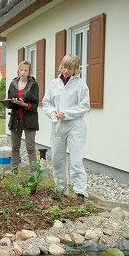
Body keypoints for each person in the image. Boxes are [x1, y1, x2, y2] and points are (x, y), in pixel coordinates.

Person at [42, 54, 90, 205]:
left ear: (76, 69)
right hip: (57, 126)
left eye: (70, 68)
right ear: (61, 66)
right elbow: (46, 102)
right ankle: (61, 190)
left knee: (76, 160)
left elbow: (84, 106)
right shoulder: (53, 84)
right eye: (64, 67)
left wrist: (67, 113)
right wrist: (52, 113)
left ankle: (80, 192)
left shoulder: (81, 84)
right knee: (57, 159)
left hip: (75, 126)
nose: (66, 70)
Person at [7, 61, 39, 173]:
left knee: (30, 148)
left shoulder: (33, 85)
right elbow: (9, 101)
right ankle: (14, 171)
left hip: (29, 120)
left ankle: (33, 174)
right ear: (18, 70)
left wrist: (24, 104)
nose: (23, 72)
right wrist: (10, 102)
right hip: (15, 119)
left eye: (26, 70)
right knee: (15, 147)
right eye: (21, 69)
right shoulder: (13, 84)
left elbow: (35, 106)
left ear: (29, 72)